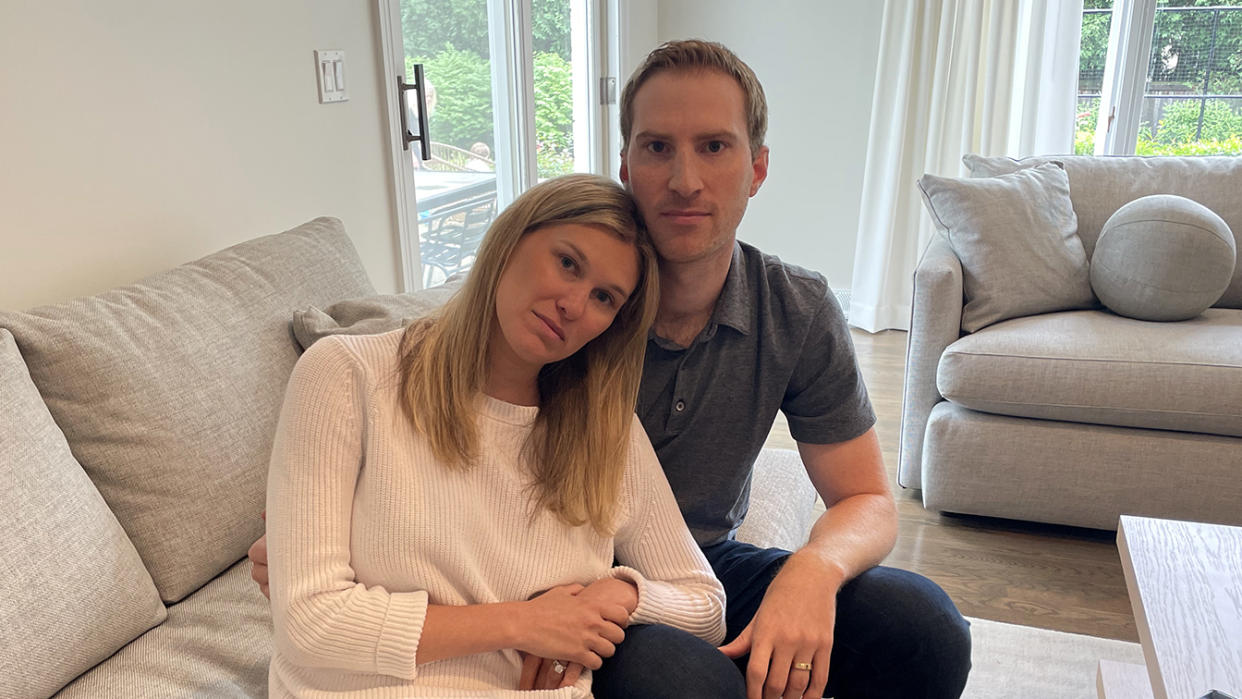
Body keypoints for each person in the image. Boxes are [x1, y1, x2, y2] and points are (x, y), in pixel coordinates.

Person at [255, 39, 972, 699]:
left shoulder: (795, 309)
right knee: (679, 680)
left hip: (688, 564)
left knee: (925, 628)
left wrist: (812, 569)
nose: (685, 179)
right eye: (658, 146)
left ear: (756, 166)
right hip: (558, 581)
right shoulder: (544, 331)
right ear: (626, 162)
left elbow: (866, 499)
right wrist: (324, 531)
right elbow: (439, 408)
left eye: (714, 146)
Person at [263, 173, 729, 698]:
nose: (573, 305)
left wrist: (613, 595)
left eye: (604, 297)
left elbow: (706, 605)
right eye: (568, 263)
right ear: (511, 240)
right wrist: (527, 622)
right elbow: (310, 625)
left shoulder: (604, 430)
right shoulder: (348, 374)